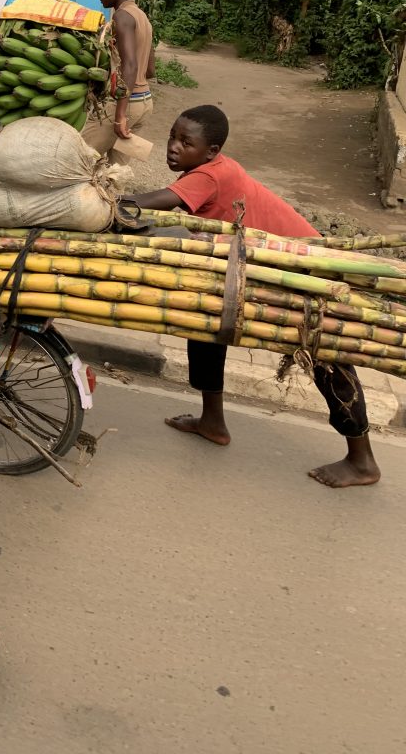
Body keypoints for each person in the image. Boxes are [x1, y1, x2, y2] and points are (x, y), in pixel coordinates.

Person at [125, 104, 381, 489]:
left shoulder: (209, 175)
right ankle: (212, 422)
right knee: (207, 322)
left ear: (211, 151)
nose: (174, 147)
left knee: (325, 354)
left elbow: (163, 198)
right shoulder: (210, 168)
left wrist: (112, 202)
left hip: (305, 270)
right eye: (172, 138)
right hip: (265, 265)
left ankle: (363, 461)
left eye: (185, 142)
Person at [81, 0, 155, 164]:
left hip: (124, 105)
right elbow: (149, 70)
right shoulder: (143, 18)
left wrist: (120, 115)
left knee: (79, 158)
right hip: (144, 102)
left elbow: (130, 65)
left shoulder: (122, 17)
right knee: (115, 174)